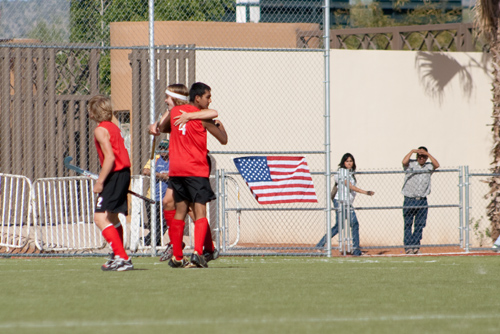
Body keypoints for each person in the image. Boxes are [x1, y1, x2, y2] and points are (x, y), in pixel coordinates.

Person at [148, 84, 220, 264]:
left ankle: (203, 249)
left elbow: (214, 117)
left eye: (167, 97)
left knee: (191, 209)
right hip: (186, 168)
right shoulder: (175, 114)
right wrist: (156, 125)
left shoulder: (193, 114)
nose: (165, 100)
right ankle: (181, 250)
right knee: (180, 206)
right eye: (208, 96)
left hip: (194, 166)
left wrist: (188, 116)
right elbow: (160, 128)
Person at [167, 82, 227, 268]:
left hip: (177, 170)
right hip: (195, 170)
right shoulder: (202, 118)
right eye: (208, 97)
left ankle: (177, 257)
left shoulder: (176, 113)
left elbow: (159, 126)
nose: (210, 100)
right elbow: (223, 140)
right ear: (197, 98)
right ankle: (197, 253)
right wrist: (221, 127)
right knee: (200, 212)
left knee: (180, 212)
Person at [88, 95, 133, 271]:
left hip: (115, 174)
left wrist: (100, 181)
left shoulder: (100, 130)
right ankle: (117, 256)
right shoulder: (113, 127)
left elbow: (110, 157)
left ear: (94, 112)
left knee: (99, 217)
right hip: (123, 173)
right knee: (112, 217)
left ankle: (123, 257)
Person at [316, 153, 374, 256]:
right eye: (347, 161)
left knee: (354, 224)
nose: (349, 163)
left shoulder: (351, 173)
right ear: (343, 162)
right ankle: (320, 245)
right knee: (339, 226)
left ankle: (356, 251)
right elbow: (350, 186)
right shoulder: (341, 172)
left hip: (348, 203)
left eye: (351, 161)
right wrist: (365, 192)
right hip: (340, 201)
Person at [402, 147, 440, 254]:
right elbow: (404, 162)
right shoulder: (411, 164)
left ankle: (416, 247)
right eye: (419, 156)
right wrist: (412, 151)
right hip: (409, 199)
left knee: (419, 225)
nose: (421, 158)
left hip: (422, 200)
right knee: (408, 224)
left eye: (423, 156)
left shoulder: (428, 166)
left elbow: (437, 165)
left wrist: (428, 153)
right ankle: (408, 247)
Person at [142, 139, 170, 246]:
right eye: (161, 148)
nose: (163, 151)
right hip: (153, 197)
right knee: (154, 224)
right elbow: (146, 171)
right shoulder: (156, 159)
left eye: (165, 148)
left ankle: (149, 242)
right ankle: (152, 243)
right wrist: (162, 176)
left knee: (164, 224)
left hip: (167, 198)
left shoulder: (174, 159)